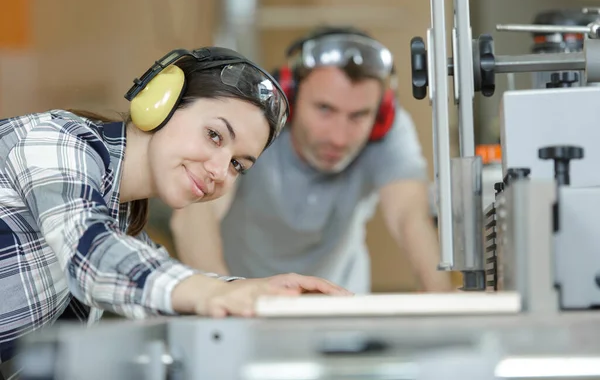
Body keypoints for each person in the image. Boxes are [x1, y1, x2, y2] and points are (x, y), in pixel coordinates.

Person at [0, 47, 351, 369]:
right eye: (214, 135)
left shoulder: (119, 221)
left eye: (237, 165)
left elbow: (151, 282)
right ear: (159, 101)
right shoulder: (52, 141)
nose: (219, 171)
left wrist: (268, 296)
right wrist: (216, 293)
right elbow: (94, 258)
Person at [170, 27, 454, 294]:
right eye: (324, 109)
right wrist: (224, 297)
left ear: (381, 116)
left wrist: (446, 301)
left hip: (340, 305)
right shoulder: (252, 117)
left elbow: (409, 216)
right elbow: (195, 215)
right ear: (289, 96)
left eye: (359, 116)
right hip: (245, 297)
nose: (339, 138)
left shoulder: (391, 130)